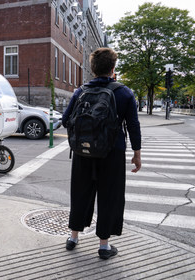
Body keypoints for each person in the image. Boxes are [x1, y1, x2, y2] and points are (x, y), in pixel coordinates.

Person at [62, 48, 142, 260]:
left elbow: (65, 119)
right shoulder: (124, 93)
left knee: (80, 193)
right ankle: (104, 246)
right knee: (109, 197)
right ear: (113, 69)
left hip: (83, 152)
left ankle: (73, 238)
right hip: (111, 153)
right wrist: (137, 153)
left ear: (93, 68)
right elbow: (133, 125)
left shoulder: (80, 91)